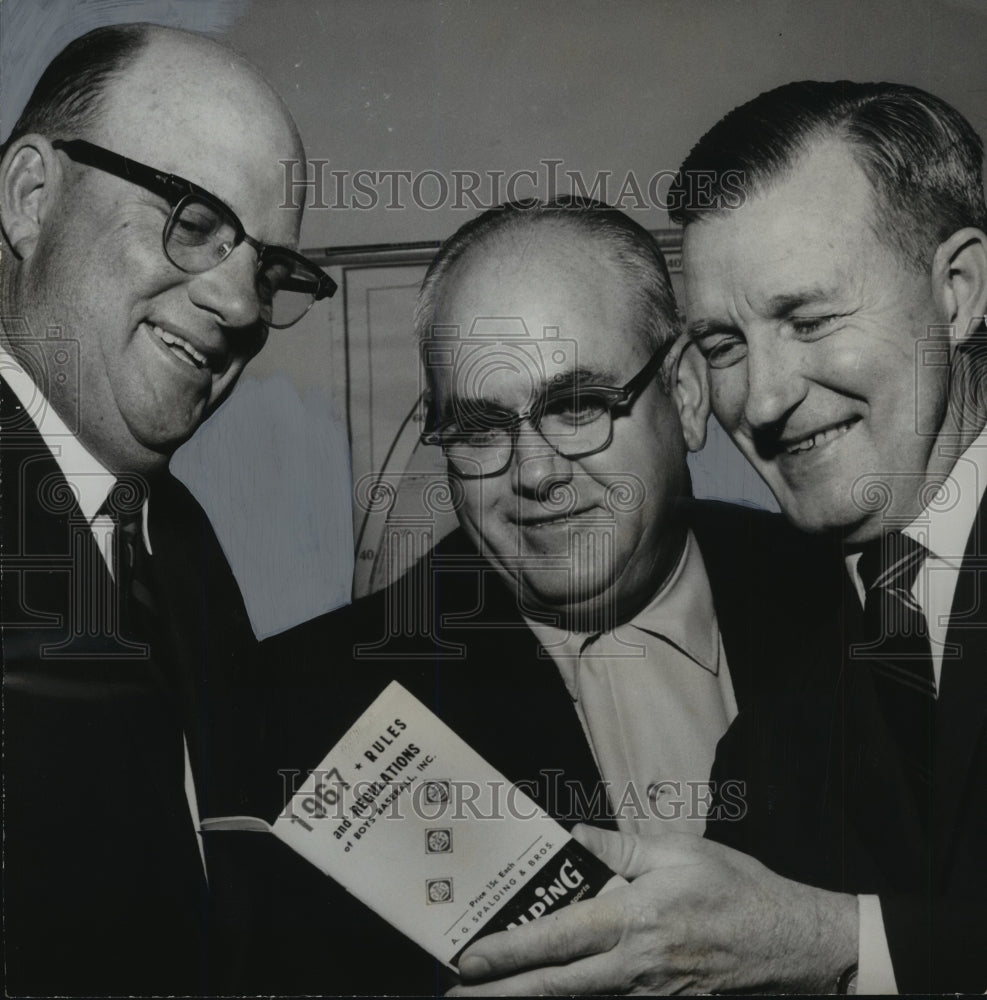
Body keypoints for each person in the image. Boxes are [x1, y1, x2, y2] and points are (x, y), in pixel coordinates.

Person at [449, 82, 987, 996]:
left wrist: (837, 943)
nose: (763, 400)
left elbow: (800, 938)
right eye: (725, 345)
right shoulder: (787, 702)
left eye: (809, 319)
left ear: (959, 293)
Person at [252, 198, 835, 994]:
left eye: (577, 406)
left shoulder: (856, 597)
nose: (532, 473)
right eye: (481, 428)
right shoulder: (302, 710)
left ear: (687, 397)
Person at [0, 23, 333, 994]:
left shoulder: (173, 538)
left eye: (269, 269)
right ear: (30, 197)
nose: (241, 308)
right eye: (192, 220)